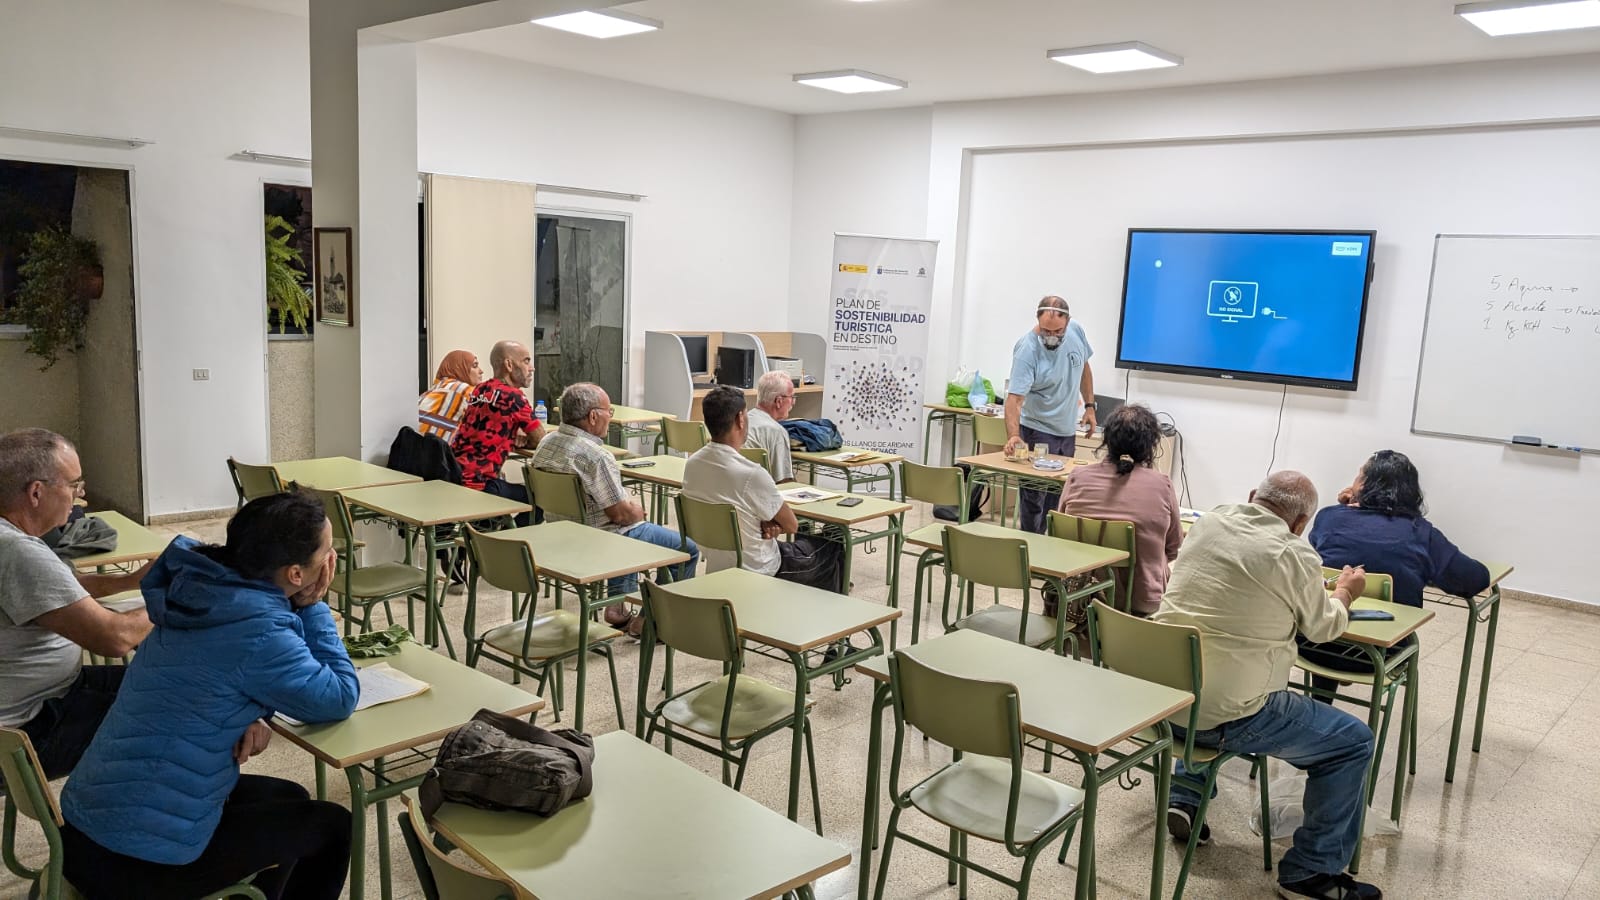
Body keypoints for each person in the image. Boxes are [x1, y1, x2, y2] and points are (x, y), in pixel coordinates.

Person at [59, 491, 359, 900]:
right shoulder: (260, 630)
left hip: (87, 822)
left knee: (289, 797)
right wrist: (314, 605)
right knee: (333, 825)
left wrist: (250, 713)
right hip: (135, 861)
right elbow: (339, 697)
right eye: (327, 552)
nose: (331, 559)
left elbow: (209, 680)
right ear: (295, 574)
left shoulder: (197, 594)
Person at [1152, 471, 1381, 900]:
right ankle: (1310, 875)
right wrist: (1346, 593)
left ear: (1254, 496)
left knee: (1206, 662)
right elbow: (1322, 627)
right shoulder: (1293, 554)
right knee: (1352, 742)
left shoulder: (1209, 522)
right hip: (1225, 715)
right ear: (1300, 524)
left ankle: (1184, 797)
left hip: (1162, 703)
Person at [0, 428, 152, 780]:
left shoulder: (13, 543)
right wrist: (179, 601)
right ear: (36, 492)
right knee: (179, 710)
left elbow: (53, 588)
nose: (79, 498)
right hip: (29, 732)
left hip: (51, 694)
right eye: (73, 485)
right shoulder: (18, 552)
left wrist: (128, 582)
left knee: (168, 682)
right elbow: (114, 639)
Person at [1300, 449, 1491, 696]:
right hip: (1383, 654)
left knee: (1341, 615)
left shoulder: (1328, 518)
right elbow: (1475, 580)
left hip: (1314, 642)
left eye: (1358, 476)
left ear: (1365, 486)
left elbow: (1328, 548)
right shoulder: (1420, 533)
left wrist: (1344, 509)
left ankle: (1320, 703)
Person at [530, 383, 698, 628]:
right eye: (609, 411)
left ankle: (617, 607)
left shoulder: (546, 443)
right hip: (597, 541)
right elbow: (620, 515)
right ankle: (661, 623)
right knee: (685, 549)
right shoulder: (596, 456)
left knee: (632, 533)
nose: (611, 417)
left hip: (558, 535)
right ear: (593, 416)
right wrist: (637, 511)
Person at [685, 386, 843, 591]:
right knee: (833, 538)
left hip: (719, 565)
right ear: (741, 419)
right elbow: (791, 525)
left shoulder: (692, 464)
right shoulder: (751, 474)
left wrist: (765, 520)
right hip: (761, 567)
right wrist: (770, 520)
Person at [1055, 403, 1182, 616]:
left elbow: (1059, 535)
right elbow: (1173, 547)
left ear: (1107, 441)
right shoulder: (1162, 485)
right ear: (1151, 445)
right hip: (1141, 601)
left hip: (1078, 595)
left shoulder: (1078, 477)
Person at [1002, 296, 1096, 533]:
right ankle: (1030, 553)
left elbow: (1084, 367)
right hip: (1037, 431)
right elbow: (1014, 400)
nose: (1051, 336)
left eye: (1057, 331)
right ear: (1037, 321)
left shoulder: (1076, 332)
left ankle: (1051, 556)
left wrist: (1090, 406)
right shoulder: (1027, 350)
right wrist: (1013, 435)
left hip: (1066, 432)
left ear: (1068, 322)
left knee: (1059, 501)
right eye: (1045, 330)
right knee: (1034, 502)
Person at [452, 340, 545, 524]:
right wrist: (525, 441)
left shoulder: (481, 389)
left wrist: (512, 437)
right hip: (481, 485)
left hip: (454, 477)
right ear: (509, 365)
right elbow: (541, 440)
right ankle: (503, 545)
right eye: (526, 361)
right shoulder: (514, 397)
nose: (532, 368)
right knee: (538, 502)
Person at [417, 349, 485, 445]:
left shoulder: (436, 388)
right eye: (475, 366)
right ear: (459, 368)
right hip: (436, 453)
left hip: (414, 450)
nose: (481, 371)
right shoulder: (462, 389)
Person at [745, 370, 797, 483]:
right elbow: (783, 482)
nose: (793, 402)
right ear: (779, 401)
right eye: (792, 397)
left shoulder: (742, 421)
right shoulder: (777, 431)